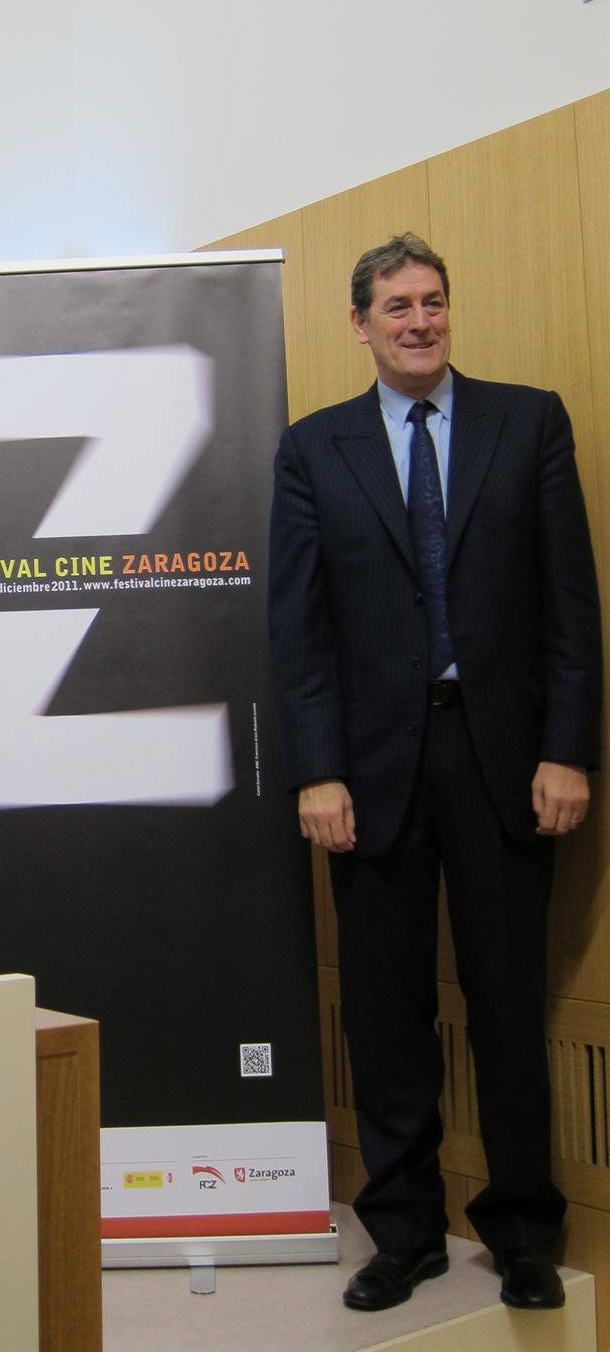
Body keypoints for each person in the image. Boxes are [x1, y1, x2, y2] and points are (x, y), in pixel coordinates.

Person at [268, 234, 601, 1314]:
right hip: (370, 776)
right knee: (384, 1013)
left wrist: (568, 747)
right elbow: (300, 629)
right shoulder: (313, 449)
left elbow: (570, 604)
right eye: (397, 306)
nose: (420, 321)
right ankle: (406, 1233)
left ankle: (524, 1235)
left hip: (505, 762)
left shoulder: (528, 421)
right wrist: (317, 771)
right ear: (360, 324)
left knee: (507, 1006)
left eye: (433, 301)